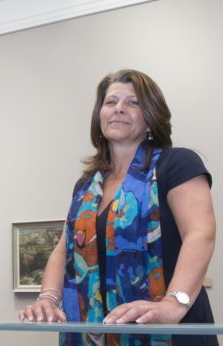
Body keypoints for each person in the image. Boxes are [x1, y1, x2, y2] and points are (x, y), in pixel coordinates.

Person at [19, 69, 217, 345]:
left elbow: (200, 234)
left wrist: (174, 303)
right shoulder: (87, 185)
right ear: (99, 116)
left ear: (151, 118)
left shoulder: (177, 164)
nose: (119, 109)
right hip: (97, 331)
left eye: (132, 102)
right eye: (111, 102)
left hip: (171, 328)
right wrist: (47, 299)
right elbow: (63, 250)